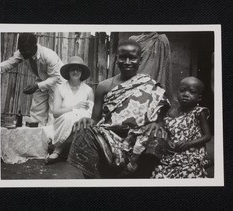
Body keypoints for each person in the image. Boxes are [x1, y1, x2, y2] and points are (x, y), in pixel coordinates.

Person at [67, 39, 170, 178]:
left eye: (132, 58)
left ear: (140, 59)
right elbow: (95, 121)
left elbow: (161, 114)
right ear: (116, 59)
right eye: (123, 57)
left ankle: (139, 180)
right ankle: (95, 181)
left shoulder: (150, 85)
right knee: (83, 130)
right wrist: (86, 121)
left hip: (139, 138)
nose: (127, 62)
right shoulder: (104, 86)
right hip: (109, 138)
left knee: (159, 134)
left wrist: (157, 123)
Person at [151, 77, 211, 178]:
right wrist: (168, 141)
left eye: (192, 92)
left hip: (192, 153)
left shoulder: (199, 112)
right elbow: (167, 132)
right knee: (158, 175)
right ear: (177, 93)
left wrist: (188, 144)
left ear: (199, 98)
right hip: (172, 154)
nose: (186, 94)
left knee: (188, 173)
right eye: (182, 90)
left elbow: (207, 136)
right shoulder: (171, 113)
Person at [0, 33, 65, 126]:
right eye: (21, 50)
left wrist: (37, 86)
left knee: (53, 115)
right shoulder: (22, 52)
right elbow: (9, 63)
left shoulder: (49, 55)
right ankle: (37, 137)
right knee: (37, 113)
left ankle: (51, 138)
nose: (23, 53)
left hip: (58, 83)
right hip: (41, 81)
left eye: (25, 50)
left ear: (34, 46)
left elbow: (56, 77)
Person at [45, 56, 94, 164]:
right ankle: (60, 149)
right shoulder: (60, 88)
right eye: (73, 69)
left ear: (82, 72)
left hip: (81, 124)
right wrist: (74, 107)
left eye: (78, 69)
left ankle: (58, 149)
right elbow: (56, 113)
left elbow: (91, 113)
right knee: (69, 117)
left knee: (80, 117)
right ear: (68, 71)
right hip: (62, 122)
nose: (75, 72)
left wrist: (80, 113)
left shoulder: (88, 90)